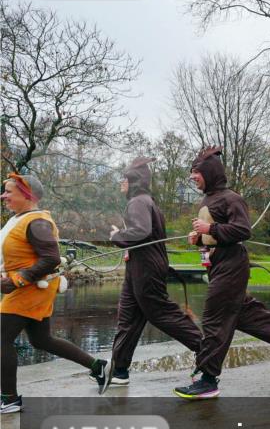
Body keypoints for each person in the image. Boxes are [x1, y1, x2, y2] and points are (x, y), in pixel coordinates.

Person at [174, 148, 270, 399]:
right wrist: (200, 238)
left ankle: (208, 380)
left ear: (210, 173)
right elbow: (216, 234)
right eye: (192, 174)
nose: (193, 178)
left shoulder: (231, 199)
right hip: (218, 264)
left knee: (213, 318)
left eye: (196, 173)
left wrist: (209, 227)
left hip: (232, 265)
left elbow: (243, 230)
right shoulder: (208, 199)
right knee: (244, 314)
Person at [1, 173, 109, 412]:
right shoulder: (20, 219)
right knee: (41, 339)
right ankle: (97, 365)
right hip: (29, 288)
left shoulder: (37, 222)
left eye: (9, 191)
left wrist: (18, 279)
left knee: (1, 339)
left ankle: (9, 399)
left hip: (30, 290)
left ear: (26, 194)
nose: (3, 195)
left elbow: (50, 258)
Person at [108, 157, 203, 386]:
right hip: (139, 267)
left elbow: (140, 232)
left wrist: (116, 236)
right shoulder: (145, 201)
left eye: (125, 178)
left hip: (146, 268)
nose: (121, 182)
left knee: (160, 313)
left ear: (133, 181)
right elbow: (144, 232)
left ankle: (207, 348)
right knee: (128, 318)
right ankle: (119, 370)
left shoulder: (138, 202)